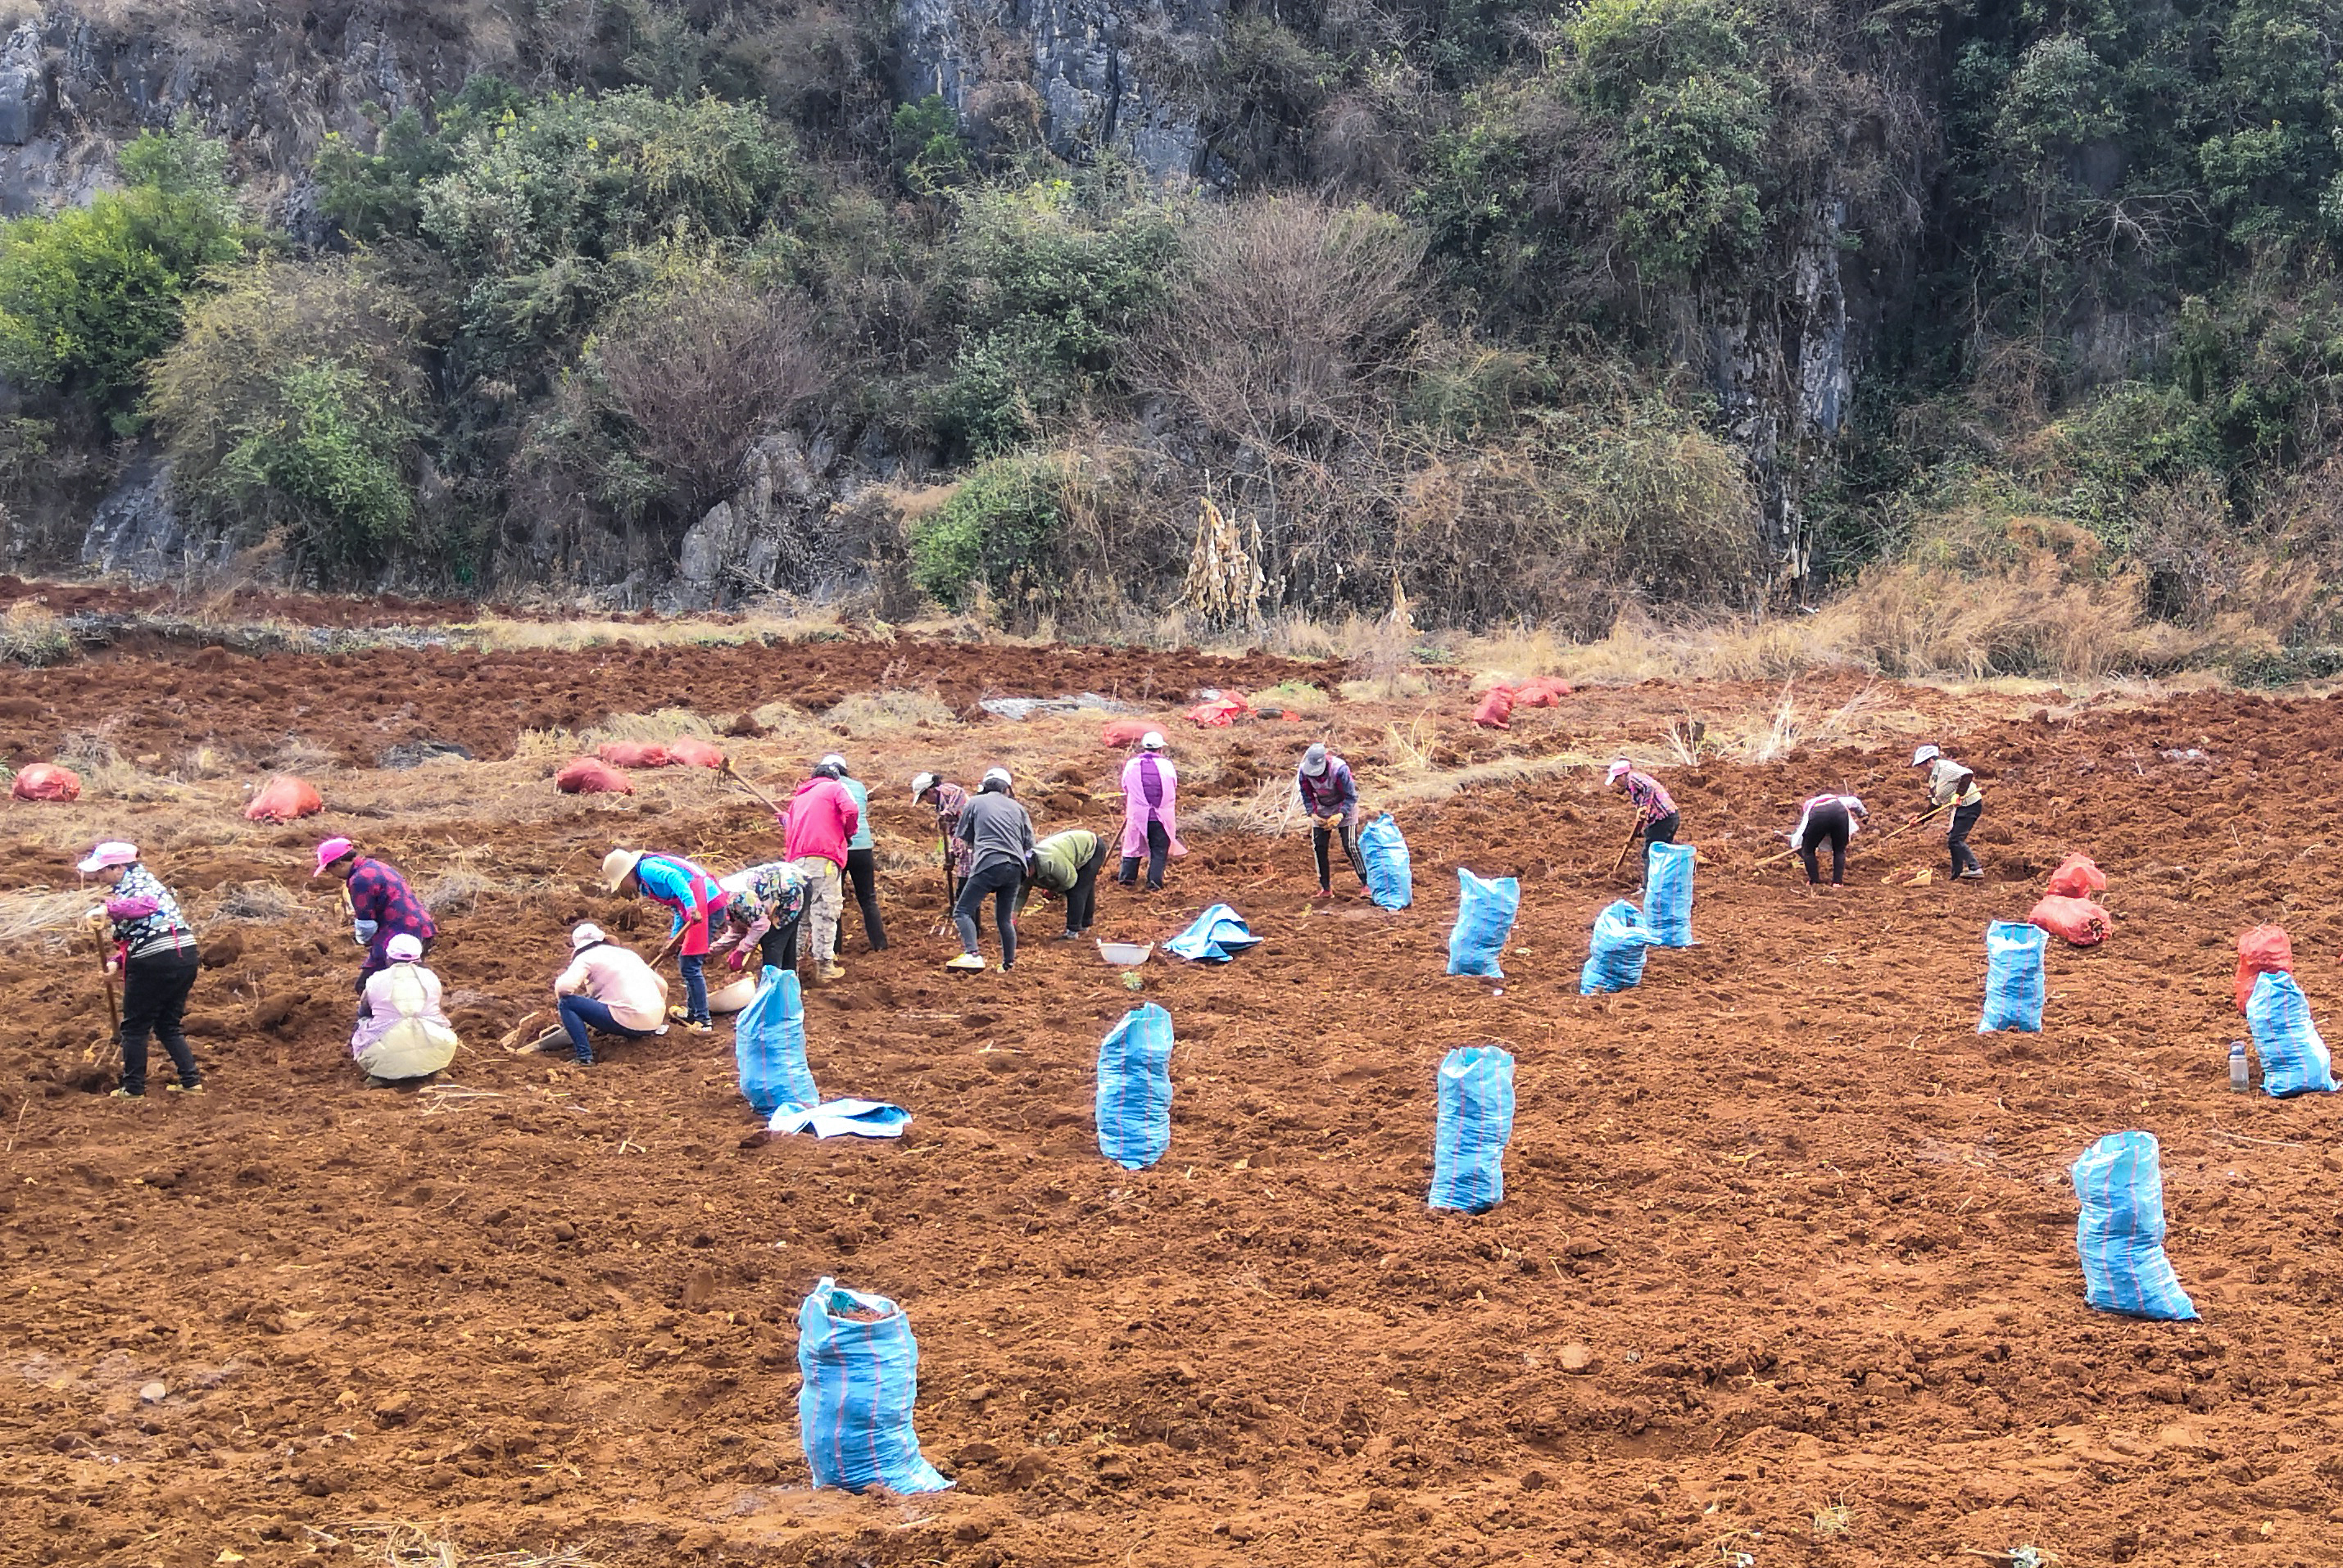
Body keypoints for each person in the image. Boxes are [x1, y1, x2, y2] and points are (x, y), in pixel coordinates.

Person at [81, 841, 202, 1099]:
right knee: (167, 1024)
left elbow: (147, 906)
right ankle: (191, 1081)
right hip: (183, 956)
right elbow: (149, 928)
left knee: (134, 1027)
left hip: (155, 961)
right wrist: (119, 961)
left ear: (120, 867)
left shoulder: (140, 886)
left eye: (103, 870)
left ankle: (133, 1088)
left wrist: (107, 909)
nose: (99, 876)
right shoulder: (139, 885)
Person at [600, 849, 728, 1031]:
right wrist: (673, 940)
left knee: (690, 963)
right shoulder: (645, 882)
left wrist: (691, 906)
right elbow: (678, 907)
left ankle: (703, 1020)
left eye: (622, 882)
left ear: (628, 873)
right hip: (696, 905)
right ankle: (694, 1013)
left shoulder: (647, 869)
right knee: (687, 962)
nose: (624, 888)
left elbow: (675, 878)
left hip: (706, 905)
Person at [315, 837, 436, 999]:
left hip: (399, 933)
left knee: (366, 985)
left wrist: (363, 940)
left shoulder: (360, 880)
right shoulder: (374, 865)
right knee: (411, 980)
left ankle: (377, 1021)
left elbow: (366, 925)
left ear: (339, 864)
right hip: (421, 927)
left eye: (329, 870)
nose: (331, 875)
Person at [946, 768, 1035, 972]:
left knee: (962, 910)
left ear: (984, 786)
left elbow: (964, 837)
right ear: (1007, 789)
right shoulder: (1018, 807)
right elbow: (1029, 842)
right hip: (1016, 868)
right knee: (1004, 918)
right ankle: (1008, 964)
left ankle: (973, 955)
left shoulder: (975, 803)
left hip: (989, 862)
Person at [781, 760, 860, 983]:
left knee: (800, 916)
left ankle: (791, 968)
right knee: (825, 911)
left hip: (796, 863)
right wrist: (848, 831)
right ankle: (824, 967)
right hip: (822, 858)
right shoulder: (834, 788)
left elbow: (793, 828)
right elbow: (852, 809)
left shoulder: (798, 799)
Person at [552, 922, 670, 1066]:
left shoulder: (586, 957)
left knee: (567, 1003)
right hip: (654, 1023)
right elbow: (663, 987)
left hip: (627, 1021)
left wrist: (564, 1009)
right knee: (591, 999)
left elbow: (564, 987)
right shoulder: (628, 954)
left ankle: (584, 1057)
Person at [349, 933, 459, 1087]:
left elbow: (364, 1010)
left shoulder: (376, 979)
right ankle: (435, 1071)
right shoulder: (431, 977)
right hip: (437, 1053)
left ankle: (379, 1075)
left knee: (362, 1022)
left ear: (389, 957)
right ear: (418, 958)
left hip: (383, 1060)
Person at [822, 754, 888, 956]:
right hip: (863, 847)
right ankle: (879, 944)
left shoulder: (826, 788)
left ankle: (835, 948)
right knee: (868, 898)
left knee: (835, 899)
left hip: (839, 849)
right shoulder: (859, 786)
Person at [1115, 732, 1185, 892]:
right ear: (1160, 748)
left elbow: (1125, 786)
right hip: (1162, 816)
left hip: (1137, 814)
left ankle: (1126, 879)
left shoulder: (1132, 765)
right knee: (1159, 849)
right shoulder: (1167, 766)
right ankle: (1154, 883)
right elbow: (1173, 785)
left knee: (1132, 845)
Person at [1297, 743, 1367, 900]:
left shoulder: (1340, 769)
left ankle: (1366, 883)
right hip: (1322, 808)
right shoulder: (1303, 772)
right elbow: (1307, 795)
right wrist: (1313, 814)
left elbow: (1351, 796)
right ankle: (1326, 888)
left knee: (1350, 845)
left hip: (1344, 806)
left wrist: (1340, 815)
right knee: (1319, 847)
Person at [715, 860, 808, 974]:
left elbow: (762, 925)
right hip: (786, 884)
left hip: (791, 888)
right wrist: (711, 951)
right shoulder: (722, 898)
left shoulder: (738, 898)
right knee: (783, 941)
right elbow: (738, 930)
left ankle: (773, 983)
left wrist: (741, 951)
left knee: (772, 940)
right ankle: (787, 981)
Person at [1911, 744, 1985, 879]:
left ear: (1930, 761)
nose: (1921, 769)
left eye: (1922, 765)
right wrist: (1920, 819)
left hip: (1969, 805)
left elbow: (1967, 775)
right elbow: (1936, 804)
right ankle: (1956, 875)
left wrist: (1958, 794)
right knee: (1953, 841)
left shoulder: (1945, 767)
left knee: (1956, 840)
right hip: (1958, 809)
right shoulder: (1933, 779)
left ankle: (1975, 868)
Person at [1025, 827, 1107, 940]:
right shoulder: (1025, 868)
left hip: (1092, 848)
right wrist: (1013, 917)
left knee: (1078, 889)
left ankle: (1073, 931)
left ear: (1031, 867)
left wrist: (1055, 889)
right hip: (1070, 851)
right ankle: (1085, 923)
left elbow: (1071, 880)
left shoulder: (1049, 861)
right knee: (1085, 886)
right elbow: (1020, 894)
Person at [913, 772, 972, 913]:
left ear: (930, 791)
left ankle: (970, 924)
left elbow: (959, 792)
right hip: (964, 848)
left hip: (972, 844)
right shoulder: (941, 806)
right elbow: (953, 834)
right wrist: (952, 854)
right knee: (965, 888)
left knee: (967, 891)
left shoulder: (947, 790)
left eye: (924, 798)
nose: (927, 802)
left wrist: (947, 813)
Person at [1605, 760, 1679, 871]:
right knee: (1662, 851)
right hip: (1670, 817)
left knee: (1649, 853)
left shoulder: (1633, 778)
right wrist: (1640, 831)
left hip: (1663, 819)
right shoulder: (1638, 779)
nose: (1617, 783)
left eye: (1616, 780)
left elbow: (1649, 788)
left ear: (1621, 776)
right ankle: (1664, 881)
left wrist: (1644, 806)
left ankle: (1647, 886)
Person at [1787, 792, 1868, 887]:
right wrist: (1864, 815)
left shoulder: (1810, 808)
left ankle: (1814, 881)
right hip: (1840, 813)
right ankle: (1837, 882)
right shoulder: (1838, 799)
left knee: (1808, 850)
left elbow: (1802, 831)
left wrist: (1795, 843)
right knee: (1839, 850)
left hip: (1819, 816)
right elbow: (1856, 802)